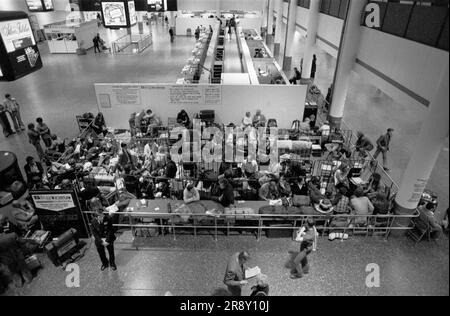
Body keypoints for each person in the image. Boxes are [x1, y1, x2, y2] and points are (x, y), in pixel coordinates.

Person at [90, 198, 117, 271]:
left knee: (111, 252)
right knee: (101, 253)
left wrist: (107, 240)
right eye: (95, 211)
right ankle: (104, 263)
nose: (97, 212)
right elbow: (94, 233)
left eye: (99, 210)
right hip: (99, 240)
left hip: (108, 238)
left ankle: (112, 263)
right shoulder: (93, 220)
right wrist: (101, 241)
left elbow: (110, 230)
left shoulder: (107, 218)